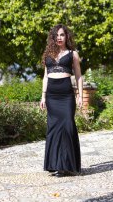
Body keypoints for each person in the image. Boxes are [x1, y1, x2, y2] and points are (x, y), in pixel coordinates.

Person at [40, 24, 83, 177]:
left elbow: (78, 76)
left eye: (62, 35)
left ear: (66, 37)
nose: (59, 37)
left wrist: (80, 95)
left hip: (66, 96)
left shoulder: (73, 54)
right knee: (54, 129)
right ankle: (56, 165)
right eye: (57, 35)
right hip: (52, 96)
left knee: (67, 127)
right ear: (53, 37)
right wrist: (43, 96)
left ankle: (68, 165)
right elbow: (45, 76)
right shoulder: (48, 55)